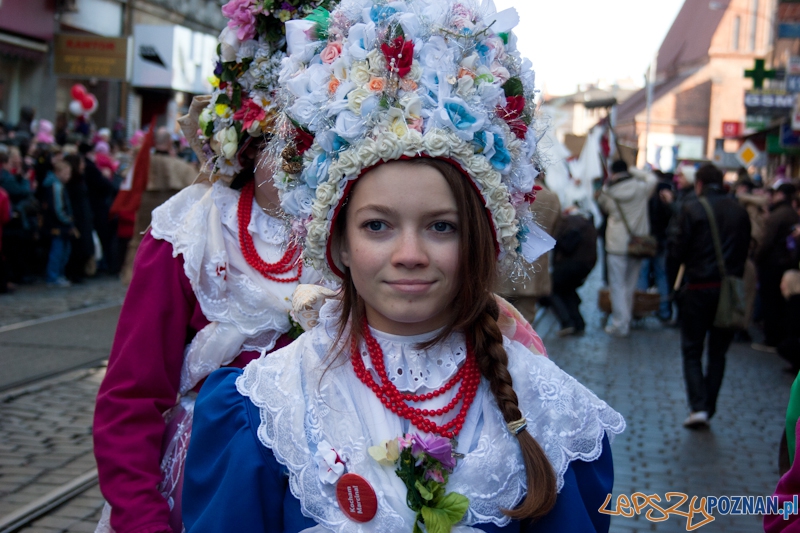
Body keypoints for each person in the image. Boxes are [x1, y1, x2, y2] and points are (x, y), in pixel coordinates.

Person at [182, 2, 625, 531]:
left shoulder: (549, 411)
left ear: (479, 243)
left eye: (442, 226)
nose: (410, 253)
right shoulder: (268, 407)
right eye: (377, 226)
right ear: (339, 244)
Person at [667, 164, 750, 429]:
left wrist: (672, 286)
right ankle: (709, 405)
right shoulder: (739, 211)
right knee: (719, 352)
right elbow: (746, 248)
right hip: (729, 290)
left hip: (698, 288)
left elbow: (677, 250)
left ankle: (699, 406)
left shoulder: (693, 208)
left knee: (692, 348)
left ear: (700, 183)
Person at [120, 126, 196, 284]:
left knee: (140, 242)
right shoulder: (182, 167)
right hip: (171, 217)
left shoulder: (143, 165)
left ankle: (133, 279)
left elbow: (125, 180)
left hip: (145, 209)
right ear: (169, 143)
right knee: (166, 247)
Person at [596, 160, 657, 337]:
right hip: (638, 243)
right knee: (630, 285)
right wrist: (634, 170)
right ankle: (626, 320)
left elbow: (605, 208)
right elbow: (652, 178)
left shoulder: (609, 191)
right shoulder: (641, 188)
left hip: (616, 243)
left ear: (613, 172)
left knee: (617, 285)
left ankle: (620, 324)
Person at [498, 178, 560, 323]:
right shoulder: (551, 197)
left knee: (498, 324)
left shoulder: (502, 190)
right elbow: (555, 231)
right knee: (526, 325)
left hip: (502, 268)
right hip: (533, 267)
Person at [754, 183, 799, 353]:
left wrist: (758, 258)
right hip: (784, 263)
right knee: (778, 304)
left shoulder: (778, 215)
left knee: (771, 302)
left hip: (773, 264)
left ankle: (772, 339)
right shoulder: (790, 214)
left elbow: (766, 241)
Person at [549, 208, 598, 336]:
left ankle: (567, 323)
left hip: (571, 263)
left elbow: (562, 245)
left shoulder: (567, 222)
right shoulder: (585, 222)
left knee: (551, 288)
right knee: (567, 290)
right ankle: (578, 323)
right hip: (586, 264)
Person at [636, 172, 673, 322]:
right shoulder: (665, 201)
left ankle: (640, 309)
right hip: (661, 242)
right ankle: (664, 311)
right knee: (661, 276)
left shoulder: (646, 199)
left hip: (647, 242)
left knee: (642, 275)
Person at [42, 160, 75, 287]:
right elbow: (57, 208)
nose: (68, 177)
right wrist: (68, 220)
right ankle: (53, 276)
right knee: (58, 251)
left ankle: (58, 275)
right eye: (66, 174)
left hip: (59, 224)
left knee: (63, 251)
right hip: (58, 225)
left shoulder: (58, 185)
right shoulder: (56, 186)